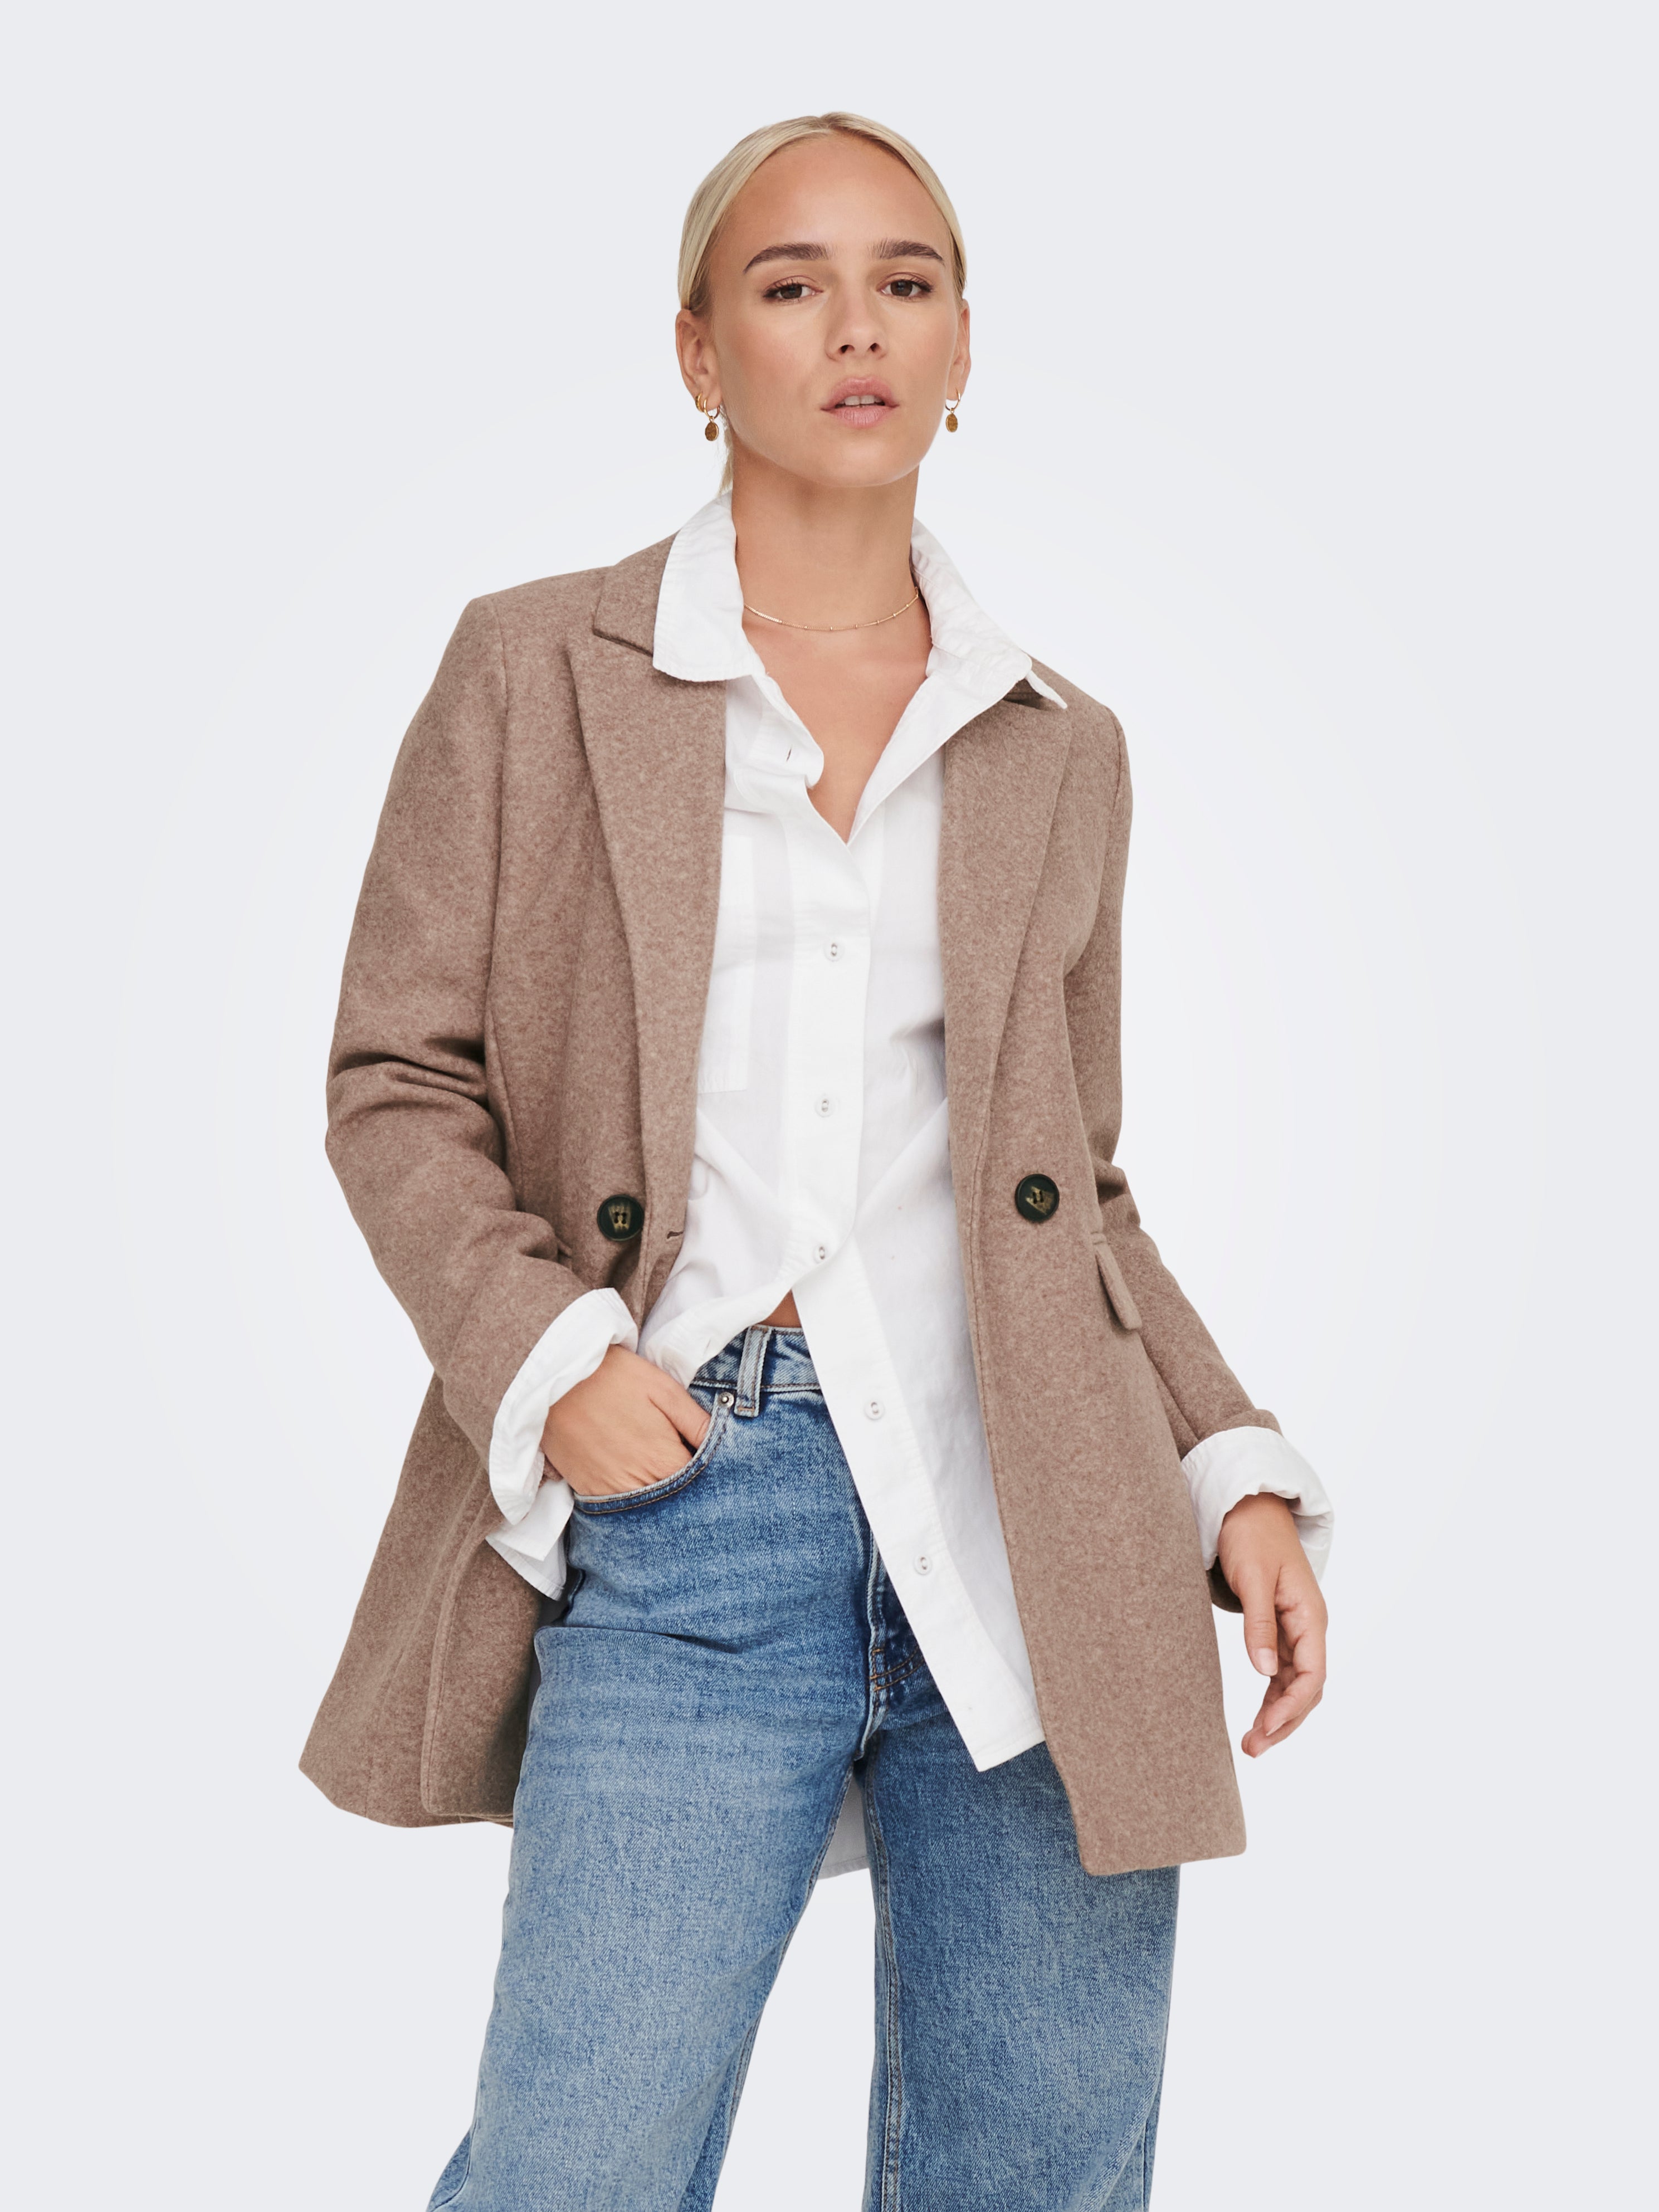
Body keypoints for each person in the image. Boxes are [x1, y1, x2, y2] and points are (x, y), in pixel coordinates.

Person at [302, 111, 1334, 2212]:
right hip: (696, 1508)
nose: (857, 326)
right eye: (792, 285)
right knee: (574, 2171)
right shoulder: (535, 668)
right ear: (699, 353)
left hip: (1039, 1520)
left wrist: (1224, 1468)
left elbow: (1079, 1187)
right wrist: (550, 1361)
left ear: (963, 345)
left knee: (1031, 2175)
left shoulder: (1058, 742)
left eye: (905, 281)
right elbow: (396, 1078)